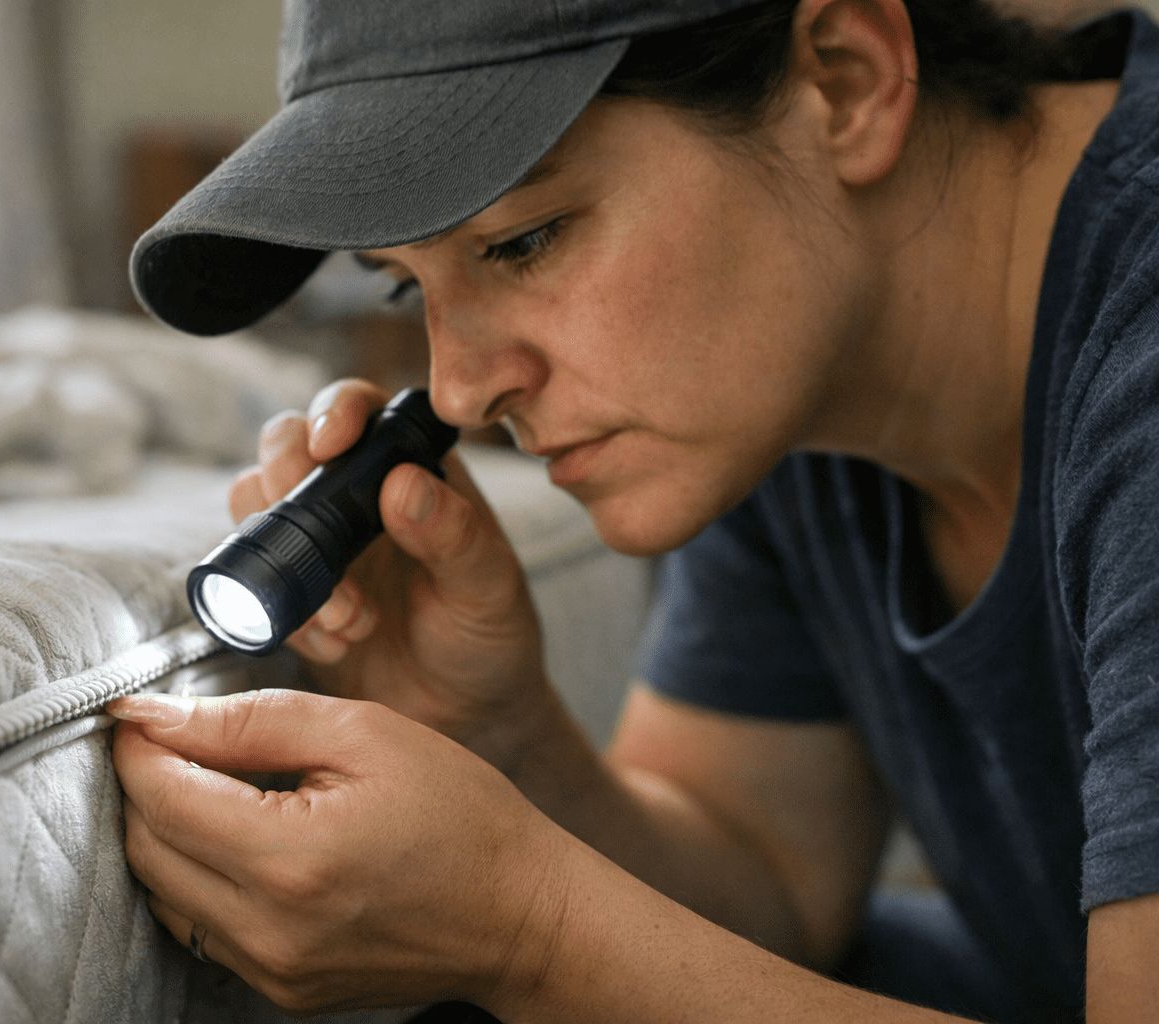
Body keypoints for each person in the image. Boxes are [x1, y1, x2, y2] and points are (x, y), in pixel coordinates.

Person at [108, 0, 1159, 1020]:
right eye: (402, 284)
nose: (464, 392)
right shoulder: (784, 364)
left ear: (846, 79)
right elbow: (770, 876)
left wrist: (526, 931)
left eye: (523, 241)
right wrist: (499, 731)